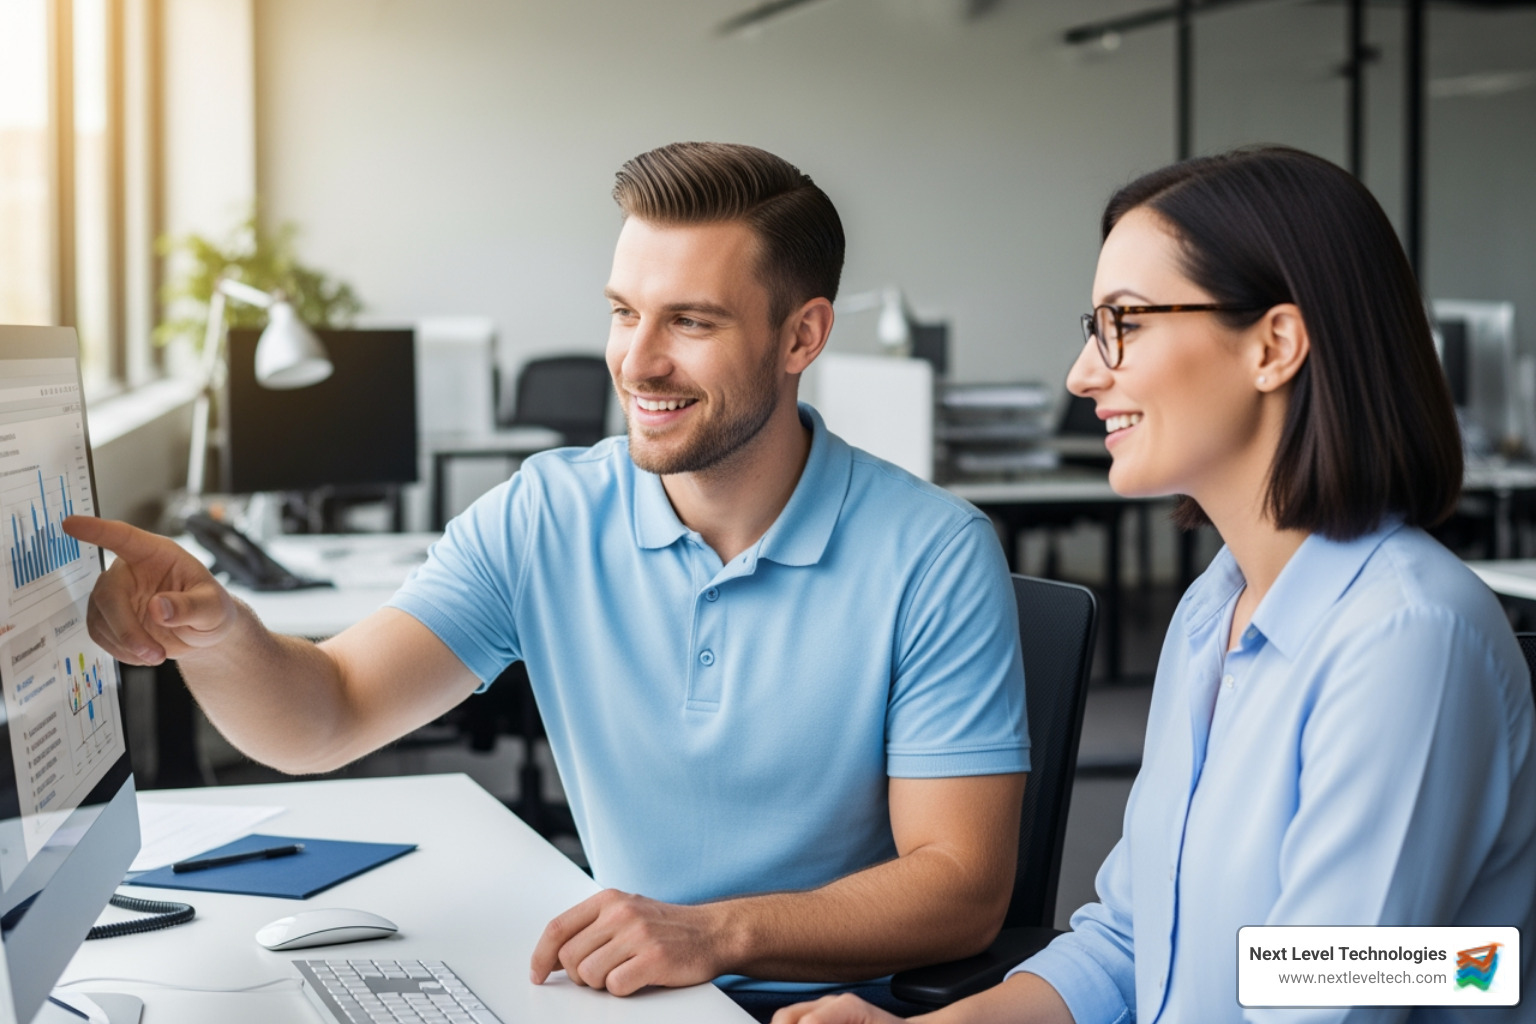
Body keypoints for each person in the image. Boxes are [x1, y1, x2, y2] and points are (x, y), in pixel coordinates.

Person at [64, 142, 1029, 1009]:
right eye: (622, 313)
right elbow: (329, 715)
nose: (638, 362)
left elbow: (962, 887)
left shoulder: (933, 554)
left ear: (801, 338)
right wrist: (218, 627)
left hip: (824, 1008)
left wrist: (717, 932)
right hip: (627, 993)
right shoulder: (547, 513)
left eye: (690, 321)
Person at [775, 146, 1536, 1024]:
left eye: (1124, 323)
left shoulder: (1408, 639)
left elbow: (1320, 1006)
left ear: (1274, 345)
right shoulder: (1217, 610)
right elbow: (1131, 944)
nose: (1083, 372)